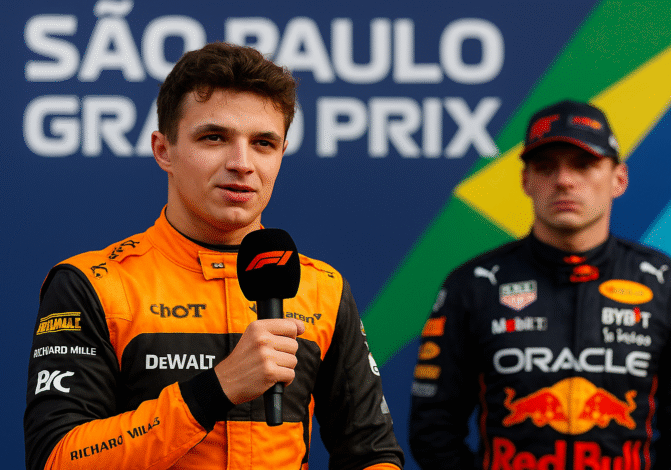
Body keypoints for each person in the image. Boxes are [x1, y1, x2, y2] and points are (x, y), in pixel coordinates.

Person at [24, 42, 404, 470]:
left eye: (263, 143)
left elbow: (372, 454)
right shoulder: (93, 283)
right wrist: (215, 389)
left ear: (281, 155)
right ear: (164, 149)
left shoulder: (323, 289)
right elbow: (56, 458)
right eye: (214, 137)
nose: (242, 163)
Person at [408, 100, 671, 470]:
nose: (564, 180)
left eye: (583, 165)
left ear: (619, 179)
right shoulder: (474, 284)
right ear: (526, 181)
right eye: (545, 166)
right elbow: (433, 426)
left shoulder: (665, 282)